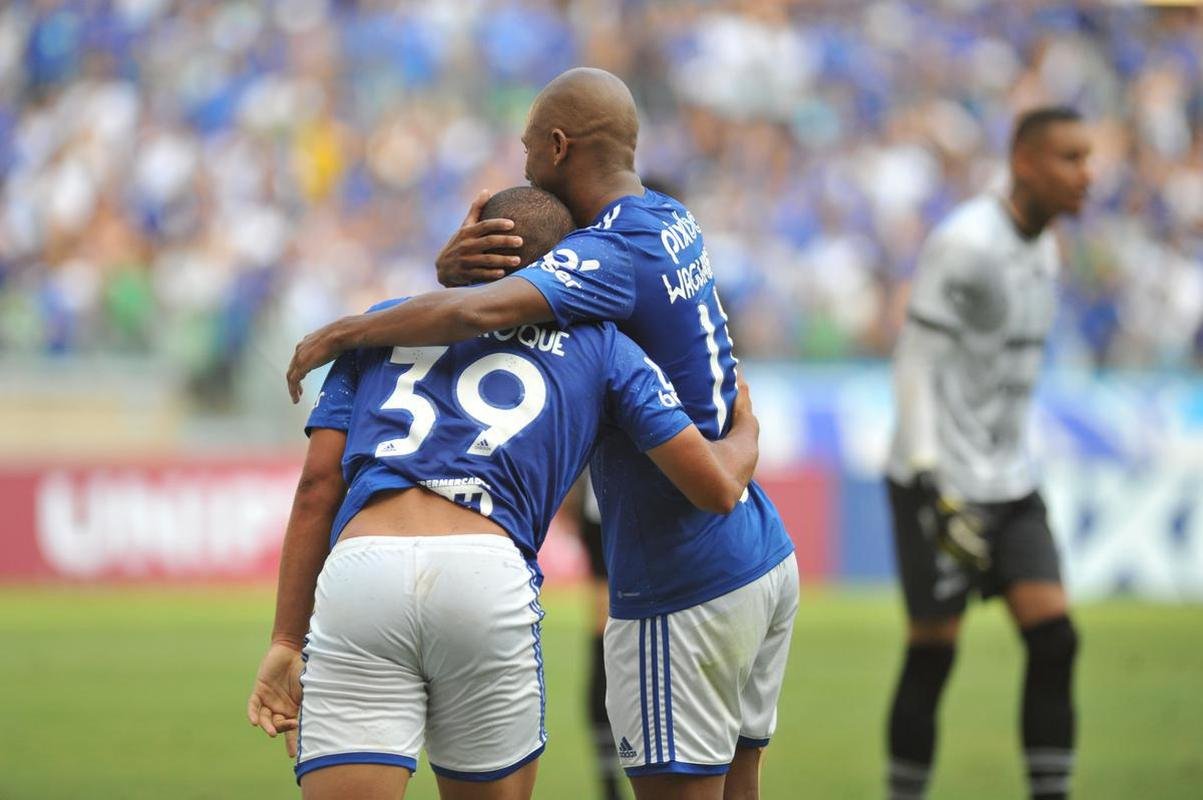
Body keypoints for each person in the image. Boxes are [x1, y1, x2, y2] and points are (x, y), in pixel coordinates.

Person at [283, 68, 799, 800]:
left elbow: (475, 318)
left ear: (556, 147)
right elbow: (509, 295)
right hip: (757, 554)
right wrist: (453, 271)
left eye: (527, 150)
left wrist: (348, 330)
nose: (524, 163)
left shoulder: (608, 270)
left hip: (680, 568)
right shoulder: (666, 221)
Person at [883, 107, 1092, 800]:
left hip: (1008, 480)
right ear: (1024, 163)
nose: (1085, 174)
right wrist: (927, 478)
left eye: (1086, 157)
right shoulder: (965, 242)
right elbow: (914, 362)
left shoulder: (1044, 249)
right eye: (1069, 158)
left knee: (1055, 639)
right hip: (938, 476)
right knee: (933, 655)